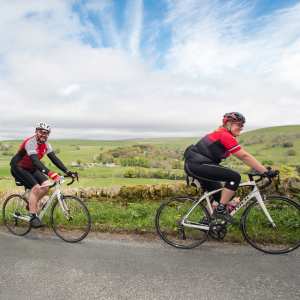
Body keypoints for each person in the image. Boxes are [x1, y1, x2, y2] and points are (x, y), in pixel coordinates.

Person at [184, 112, 278, 223]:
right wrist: (266, 171)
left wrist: (262, 170)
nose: (241, 128)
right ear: (229, 123)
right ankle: (220, 211)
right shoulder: (224, 135)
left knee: (220, 196)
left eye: (243, 125)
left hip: (199, 165)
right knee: (235, 177)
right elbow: (244, 156)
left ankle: (206, 222)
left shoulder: (224, 135)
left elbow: (244, 156)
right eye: (239, 124)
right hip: (196, 165)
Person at [10, 122, 76, 228]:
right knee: (36, 188)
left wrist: (67, 171)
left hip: (31, 168)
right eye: (41, 132)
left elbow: (54, 159)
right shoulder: (30, 142)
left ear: (48, 134)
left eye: (46, 133)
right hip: (18, 167)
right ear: (36, 131)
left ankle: (31, 205)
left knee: (47, 185)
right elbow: (36, 161)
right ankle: (33, 218)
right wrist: (50, 173)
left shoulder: (46, 145)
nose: (43, 135)